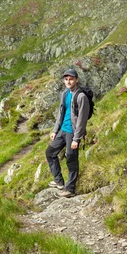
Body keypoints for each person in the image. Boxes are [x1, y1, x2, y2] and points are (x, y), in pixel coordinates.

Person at [45, 68, 91, 198]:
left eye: (71, 79)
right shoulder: (65, 94)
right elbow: (61, 113)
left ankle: (70, 189)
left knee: (71, 159)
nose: (68, 81)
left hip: (73, 133)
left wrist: (77, 139)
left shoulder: (81, 97)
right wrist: (55, 130)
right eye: (66, 79)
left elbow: (82, 120)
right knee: (50, 152)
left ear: (76, 80)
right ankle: (59, 181)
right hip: (62, 131)